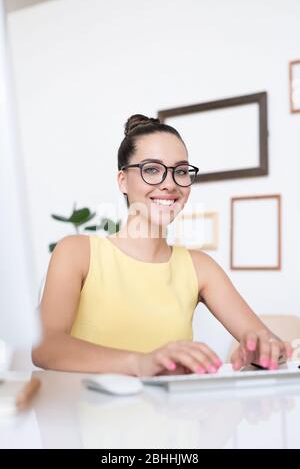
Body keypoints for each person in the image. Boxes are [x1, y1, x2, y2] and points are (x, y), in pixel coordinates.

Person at [32, 114, 292, 376]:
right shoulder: (77, 253)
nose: (169, 184)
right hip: (91, 414)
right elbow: (46, 347)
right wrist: (141, 363)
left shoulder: (200, 267)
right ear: (123, 181)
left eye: (180, 171)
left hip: (175, 414)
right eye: (152, 169)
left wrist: (260, 351)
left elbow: (266, 342)